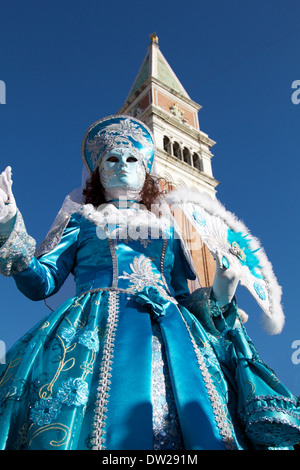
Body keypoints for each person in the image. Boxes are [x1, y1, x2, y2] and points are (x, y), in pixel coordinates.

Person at [0, 115, 299, 451]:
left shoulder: (169, 230)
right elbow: (41, 284)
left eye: (132, 159)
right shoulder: (83, 221)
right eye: (111, 159)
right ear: (98, 173)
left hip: (174, 334)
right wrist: (9, 226)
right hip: (92, 330)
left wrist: (221, 290)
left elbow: (183, 298)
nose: (123, 166)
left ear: (146, 173)